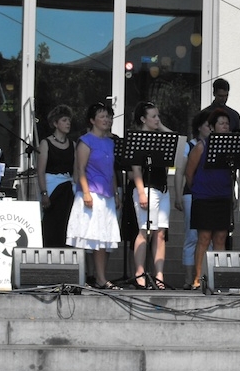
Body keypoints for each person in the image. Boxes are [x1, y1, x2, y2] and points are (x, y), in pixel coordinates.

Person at [65, 102, 121, 290]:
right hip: (90, 193)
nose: (107, 120)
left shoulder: (110, 142)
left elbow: (111, 170)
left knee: (102, 237)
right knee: (84, 235)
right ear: (92, 120)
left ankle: (101, 278)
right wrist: (86, 192)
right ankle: (78, 278)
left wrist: (116, 191)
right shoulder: (86, 140)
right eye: (103, 116)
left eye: (109, 116)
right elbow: (80, 168)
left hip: (107, 194)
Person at [184, 109, 233, 290]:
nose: (225, 126)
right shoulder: (201, 146)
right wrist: (198, 190)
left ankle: (219, 276)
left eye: (227, 123)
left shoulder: (230, 147)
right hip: (204, 197)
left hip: (223, 196)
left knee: (221, 237)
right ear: (212, 127)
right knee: (204, 238)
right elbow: (189, 173)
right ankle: (198, 278)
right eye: (221, 123)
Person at [131, 101, 171, 289]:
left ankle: (159, 274)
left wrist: (160, 126)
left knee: (160, 233)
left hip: (163, 188)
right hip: (147, 188)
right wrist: (140, 191)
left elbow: (176, 141)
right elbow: (136, 169)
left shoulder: (161, 137)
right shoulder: (138, 138)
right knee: (144, 231)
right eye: (153, 116)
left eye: (158, 115)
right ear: (143, 119)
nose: (157, 119)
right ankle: (139, 272)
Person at [174, 111, 211, 288]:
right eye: (207, 125)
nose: (210, 129)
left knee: (208, 237)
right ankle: (189, 279)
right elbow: (181, 171)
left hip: (211, 195)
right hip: (192, 194)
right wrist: (179, 194)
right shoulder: (189, 146)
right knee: (192, 236)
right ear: (198, 127)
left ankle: (206, 275)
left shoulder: (216, 145)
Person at [37, 105, 75, 248]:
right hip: (52, 190)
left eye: (69, 120)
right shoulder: (45, 143)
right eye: (64, 120)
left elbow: (76, 173)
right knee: (50, 227)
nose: (68, 123)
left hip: (67, 192)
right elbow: (40, 171)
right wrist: (44, 193)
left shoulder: (73, 144)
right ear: (55, 123)